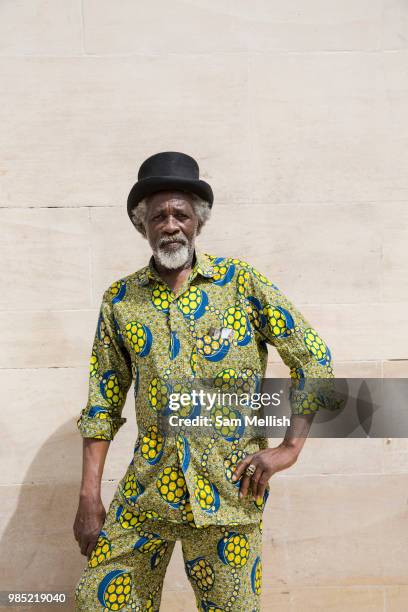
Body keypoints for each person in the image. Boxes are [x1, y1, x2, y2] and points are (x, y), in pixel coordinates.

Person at [73, 151, 337, 611]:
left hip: (229, 493)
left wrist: (290, 448)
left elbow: (314, 358)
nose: (170, 224)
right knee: (100, 601)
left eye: (181, 214)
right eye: (159, 216)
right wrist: (88, 496)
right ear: (142, 225)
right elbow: (103, 401)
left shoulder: (240, 283)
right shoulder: (120, 300)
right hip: (147, 493)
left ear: (199, 222)